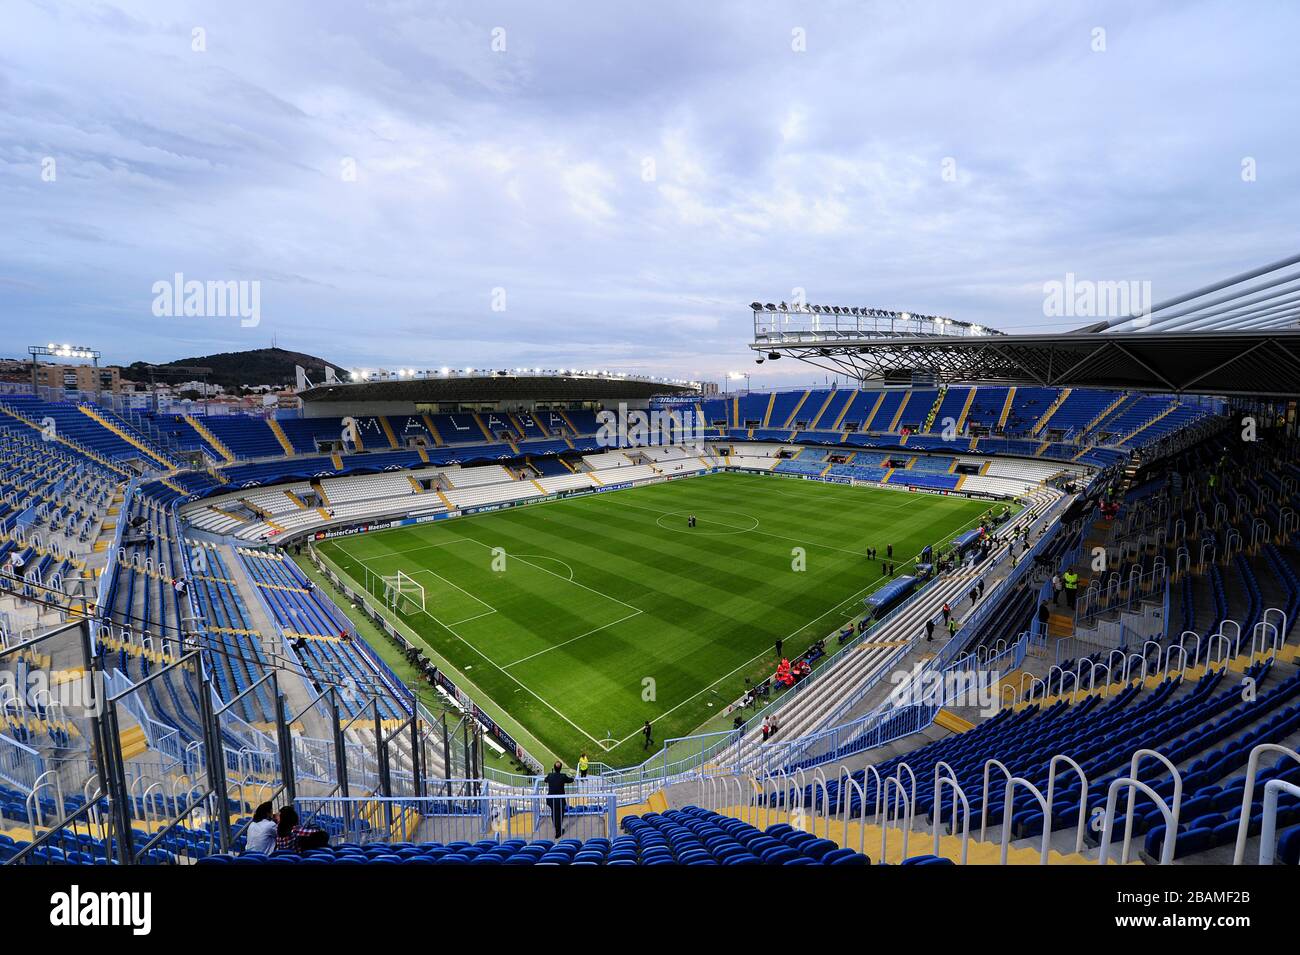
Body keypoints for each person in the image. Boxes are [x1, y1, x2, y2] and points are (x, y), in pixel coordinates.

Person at [543, 761, 574, 837]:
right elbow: (571, 780)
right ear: (560, 769)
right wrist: (572, 776)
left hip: (551, 799)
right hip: (559, 800)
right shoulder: (563, 776)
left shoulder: (550, 775)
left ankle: (558, 829)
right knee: (559, 815)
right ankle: (558, 831)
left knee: (554, 813)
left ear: (554, 768)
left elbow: (545, 780)